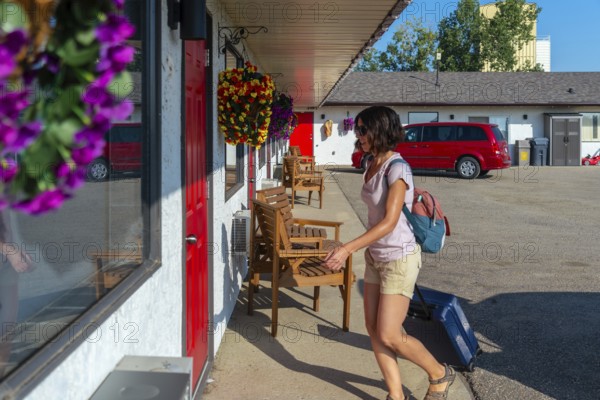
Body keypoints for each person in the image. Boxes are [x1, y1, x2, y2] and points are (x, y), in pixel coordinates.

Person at [323, 106, 455, 400]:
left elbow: (390, 221)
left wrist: (347, 248)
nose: (358, 135)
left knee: (390, 334)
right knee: (373, 328)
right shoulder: (371, 162)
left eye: (362, 129)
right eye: (356, 129)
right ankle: (396, 395)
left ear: (380, 130)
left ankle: (439, 374)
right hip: (376, 257)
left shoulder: (398, 168)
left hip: (399, 258)